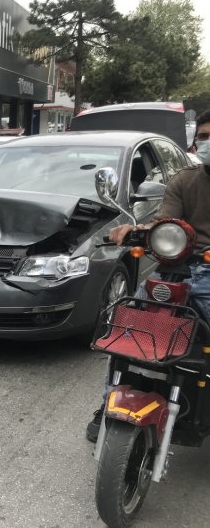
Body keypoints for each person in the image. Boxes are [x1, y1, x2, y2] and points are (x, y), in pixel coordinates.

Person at [85, 109, 210, 443]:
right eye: (204, 136)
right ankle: (110, 402)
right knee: (127, 326)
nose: (208, 142)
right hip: (177, 268)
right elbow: (164, 222)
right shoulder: (185, 179)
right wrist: (135, 229)